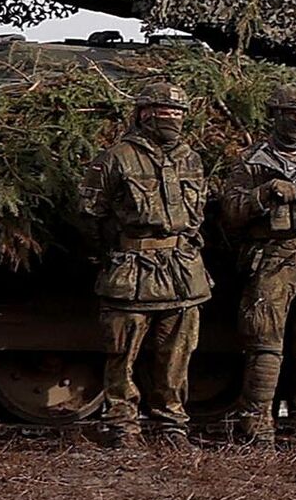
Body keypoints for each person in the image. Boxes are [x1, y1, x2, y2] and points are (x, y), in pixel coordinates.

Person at [78, 81, 212, 448]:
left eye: (178, 112)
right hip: (131, 270)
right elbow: (89, 215)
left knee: (177, 355)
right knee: (121, 354)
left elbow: (198, 213)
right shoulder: (116, 158)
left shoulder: (190, 158)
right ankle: (122, 425)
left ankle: (172, 424)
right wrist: (113, 253)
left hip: (182, 272)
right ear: (143, 114)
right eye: (163, 111)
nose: (171, 118)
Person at [219, 83, 296, 452]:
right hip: (272, 261)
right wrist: (266, 193)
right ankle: (257, 427)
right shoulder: (253, 160)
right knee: (265, 350)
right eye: (290, 113)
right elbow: (231, 212)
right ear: (275, 115)